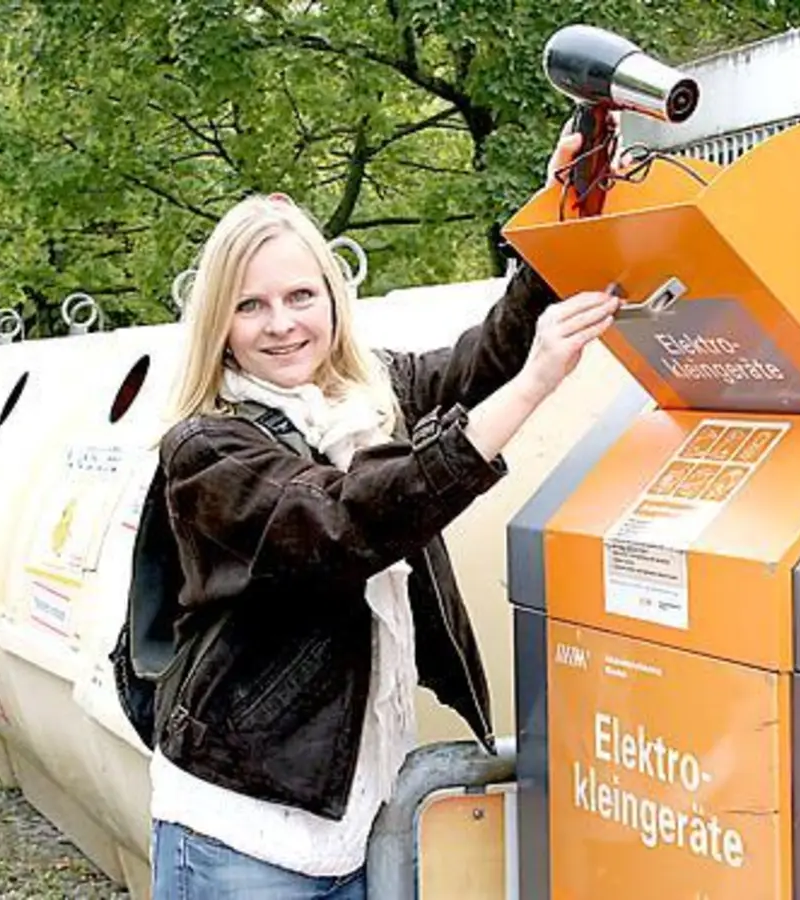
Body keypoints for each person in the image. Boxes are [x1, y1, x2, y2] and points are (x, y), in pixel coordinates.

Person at [149, 131, 619, 899]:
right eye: (251, 307)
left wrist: (563, 205)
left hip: (360, 819)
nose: (282, 324)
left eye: (302, 296)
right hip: (244, 835)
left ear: (335, 298)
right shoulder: (207, 450)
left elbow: (487, 356)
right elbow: (344, 524)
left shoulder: (370, 399)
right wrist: (533, 389)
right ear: (219, 325)